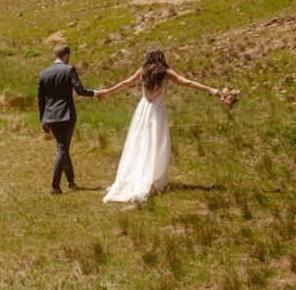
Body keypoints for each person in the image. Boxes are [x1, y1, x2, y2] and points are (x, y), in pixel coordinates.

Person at [96, 48, 229, 203]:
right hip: (157, 110)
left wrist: (107, 92)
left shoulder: (143, 71)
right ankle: (151, 176)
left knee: (140, 142)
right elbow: (188, 83)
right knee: (155, 143)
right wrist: (210, 90)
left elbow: (125, 83)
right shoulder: (166, 72)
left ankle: (139, 174)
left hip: (143, 109)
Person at [37, 44, 97, 195]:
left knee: (62, 147)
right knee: (62, 148)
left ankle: (71, 181)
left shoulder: (43, 73)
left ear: (55, 55)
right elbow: (80, 90)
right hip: (66, 115)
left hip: (50, 116)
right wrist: (95, 93)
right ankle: (55, 186)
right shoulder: (69, 69)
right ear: (66, 55)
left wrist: (43, 120)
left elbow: (41, 100)